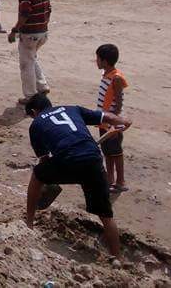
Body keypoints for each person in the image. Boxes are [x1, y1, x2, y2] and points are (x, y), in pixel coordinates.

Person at [23, 93, 131, 257]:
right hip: (93, 161)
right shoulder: (72, 109)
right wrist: (123, 122)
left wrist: (49, 182)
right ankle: (117, 258)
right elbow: (106, 116)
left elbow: (44, 160)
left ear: (34, 112)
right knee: (106, 216)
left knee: (37, 174)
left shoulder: (36, 124)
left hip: (69, 161)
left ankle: (29, 223)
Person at [8, 0, 51, 105]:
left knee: (26, 64)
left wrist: (14, 31)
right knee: (32, 57)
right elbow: (49, 10)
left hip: (29, 34)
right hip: (42, 32)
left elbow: (24, 15)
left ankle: (30, 96)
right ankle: (42, 86)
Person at [95, 44, 129, 192]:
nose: (96, 61)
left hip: (112, 123)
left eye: (98, 59)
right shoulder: (106, 75)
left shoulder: (116, 78)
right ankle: (110, 180)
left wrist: (113, 122)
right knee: (107, 151)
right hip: (104, 121)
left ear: (105, 61)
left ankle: (120, 181)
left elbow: (119, 102)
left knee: (116, 152)